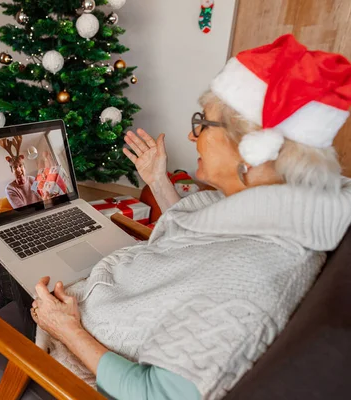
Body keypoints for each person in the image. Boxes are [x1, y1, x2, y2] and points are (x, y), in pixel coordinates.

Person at [29, 34, 351, 399]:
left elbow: (157, 393)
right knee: (28, 259)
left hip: (77, 351)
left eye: (203, 123)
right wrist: (157, 181)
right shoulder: (279, 208)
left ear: (252, 150)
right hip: (107, 290)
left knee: (14, 278)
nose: (190, 133)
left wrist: (66, 328)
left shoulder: (251, 282)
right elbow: (201, 236)